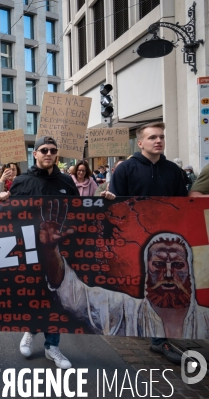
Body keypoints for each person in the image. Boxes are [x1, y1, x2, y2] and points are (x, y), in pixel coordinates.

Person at [41, 225, 209, 339]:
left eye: (178, 264)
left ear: (189, 269)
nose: (168, 273)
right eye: (158, 264)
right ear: (147, 268)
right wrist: (50, 251)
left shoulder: (206, 318)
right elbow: (74, 295)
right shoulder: (123, 308)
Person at [111, 121, 188, 364]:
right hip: (133, 239)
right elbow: (116, 205)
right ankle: (136, 324)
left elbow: (183, 206)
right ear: (140, 142)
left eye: (161, 137)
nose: (159, 141)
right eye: (153, 137)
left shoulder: (175, 172)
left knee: (164, 286)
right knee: (136, 285)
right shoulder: (125, 170)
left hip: (165, 241)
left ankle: (158, 339)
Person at [10, 136, 79, 370]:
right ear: (35, 154)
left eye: (53, 150)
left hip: (58, 251)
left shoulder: (67, 181)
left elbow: (78, 212)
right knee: (34, 294)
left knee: (56, 298)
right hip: (29, 250)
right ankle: (30, 330)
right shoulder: (22, 181)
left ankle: (52, 346)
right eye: (44, 150)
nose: (49, 154)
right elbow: (10, 216)